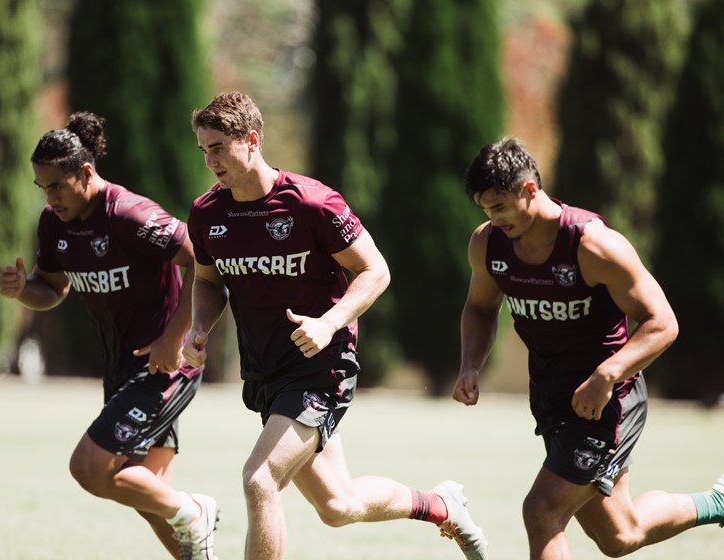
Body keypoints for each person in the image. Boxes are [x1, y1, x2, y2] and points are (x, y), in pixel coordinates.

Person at [183, 91, 489, 560]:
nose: (210, 160)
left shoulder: (311, 202)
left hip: (320, 366)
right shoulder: (208, 213)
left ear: (251, 140)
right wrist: (198, 327)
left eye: (219, 147)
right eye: (203, 149)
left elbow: (376, 271)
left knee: (260, 480)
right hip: (267, 370)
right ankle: (440, 504)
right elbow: (207, 280)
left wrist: (329, 323)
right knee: (337, 504)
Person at [453, 136, 724, 559]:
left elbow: (663, 323)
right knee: (620, 535)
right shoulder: (487, 244)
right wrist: (471, 364)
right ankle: (719, 503)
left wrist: (607, 374)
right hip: (553, 397)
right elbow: (480, 308)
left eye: (500, 207)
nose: (493, 218)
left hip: (606, 401)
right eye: (485, 209)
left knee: (542, 512)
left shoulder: (594, 246)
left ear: (529, 189)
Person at [0, 112, 219, 560]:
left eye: (57, 185)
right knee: (144, 489)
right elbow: (53, 289)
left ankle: (195, 508)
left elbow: (202, 262)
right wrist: (25, 291)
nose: (50, 197)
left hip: (165, 365)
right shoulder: (53, 223)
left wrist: (174, 337)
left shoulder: (129, 214)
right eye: (41, 187)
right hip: (122, 367)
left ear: (85, 172)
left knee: (91, 469)